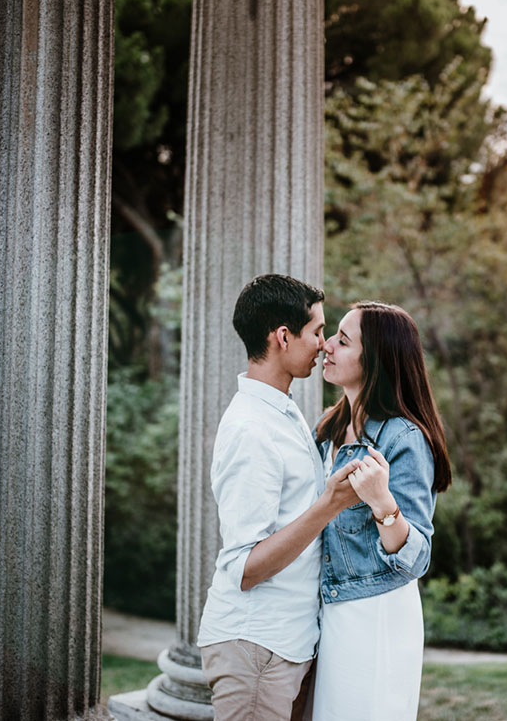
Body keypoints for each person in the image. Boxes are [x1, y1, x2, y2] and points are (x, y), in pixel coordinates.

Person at [197, 274, 361, 721]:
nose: (324, 344)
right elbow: (245, 568)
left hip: (287, 643)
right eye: (317, 332)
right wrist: (329, 505)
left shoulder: (283, 412)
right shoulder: (251, 429)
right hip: (256, 648)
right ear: (283, 337)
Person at [311, 301, 453, 721]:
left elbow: (417, 557)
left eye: (342, 340)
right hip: (327, 609)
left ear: (374, 359)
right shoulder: (327, 428)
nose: (327, 347)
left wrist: (382, 502)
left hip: (374, 616)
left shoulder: (403, 438)